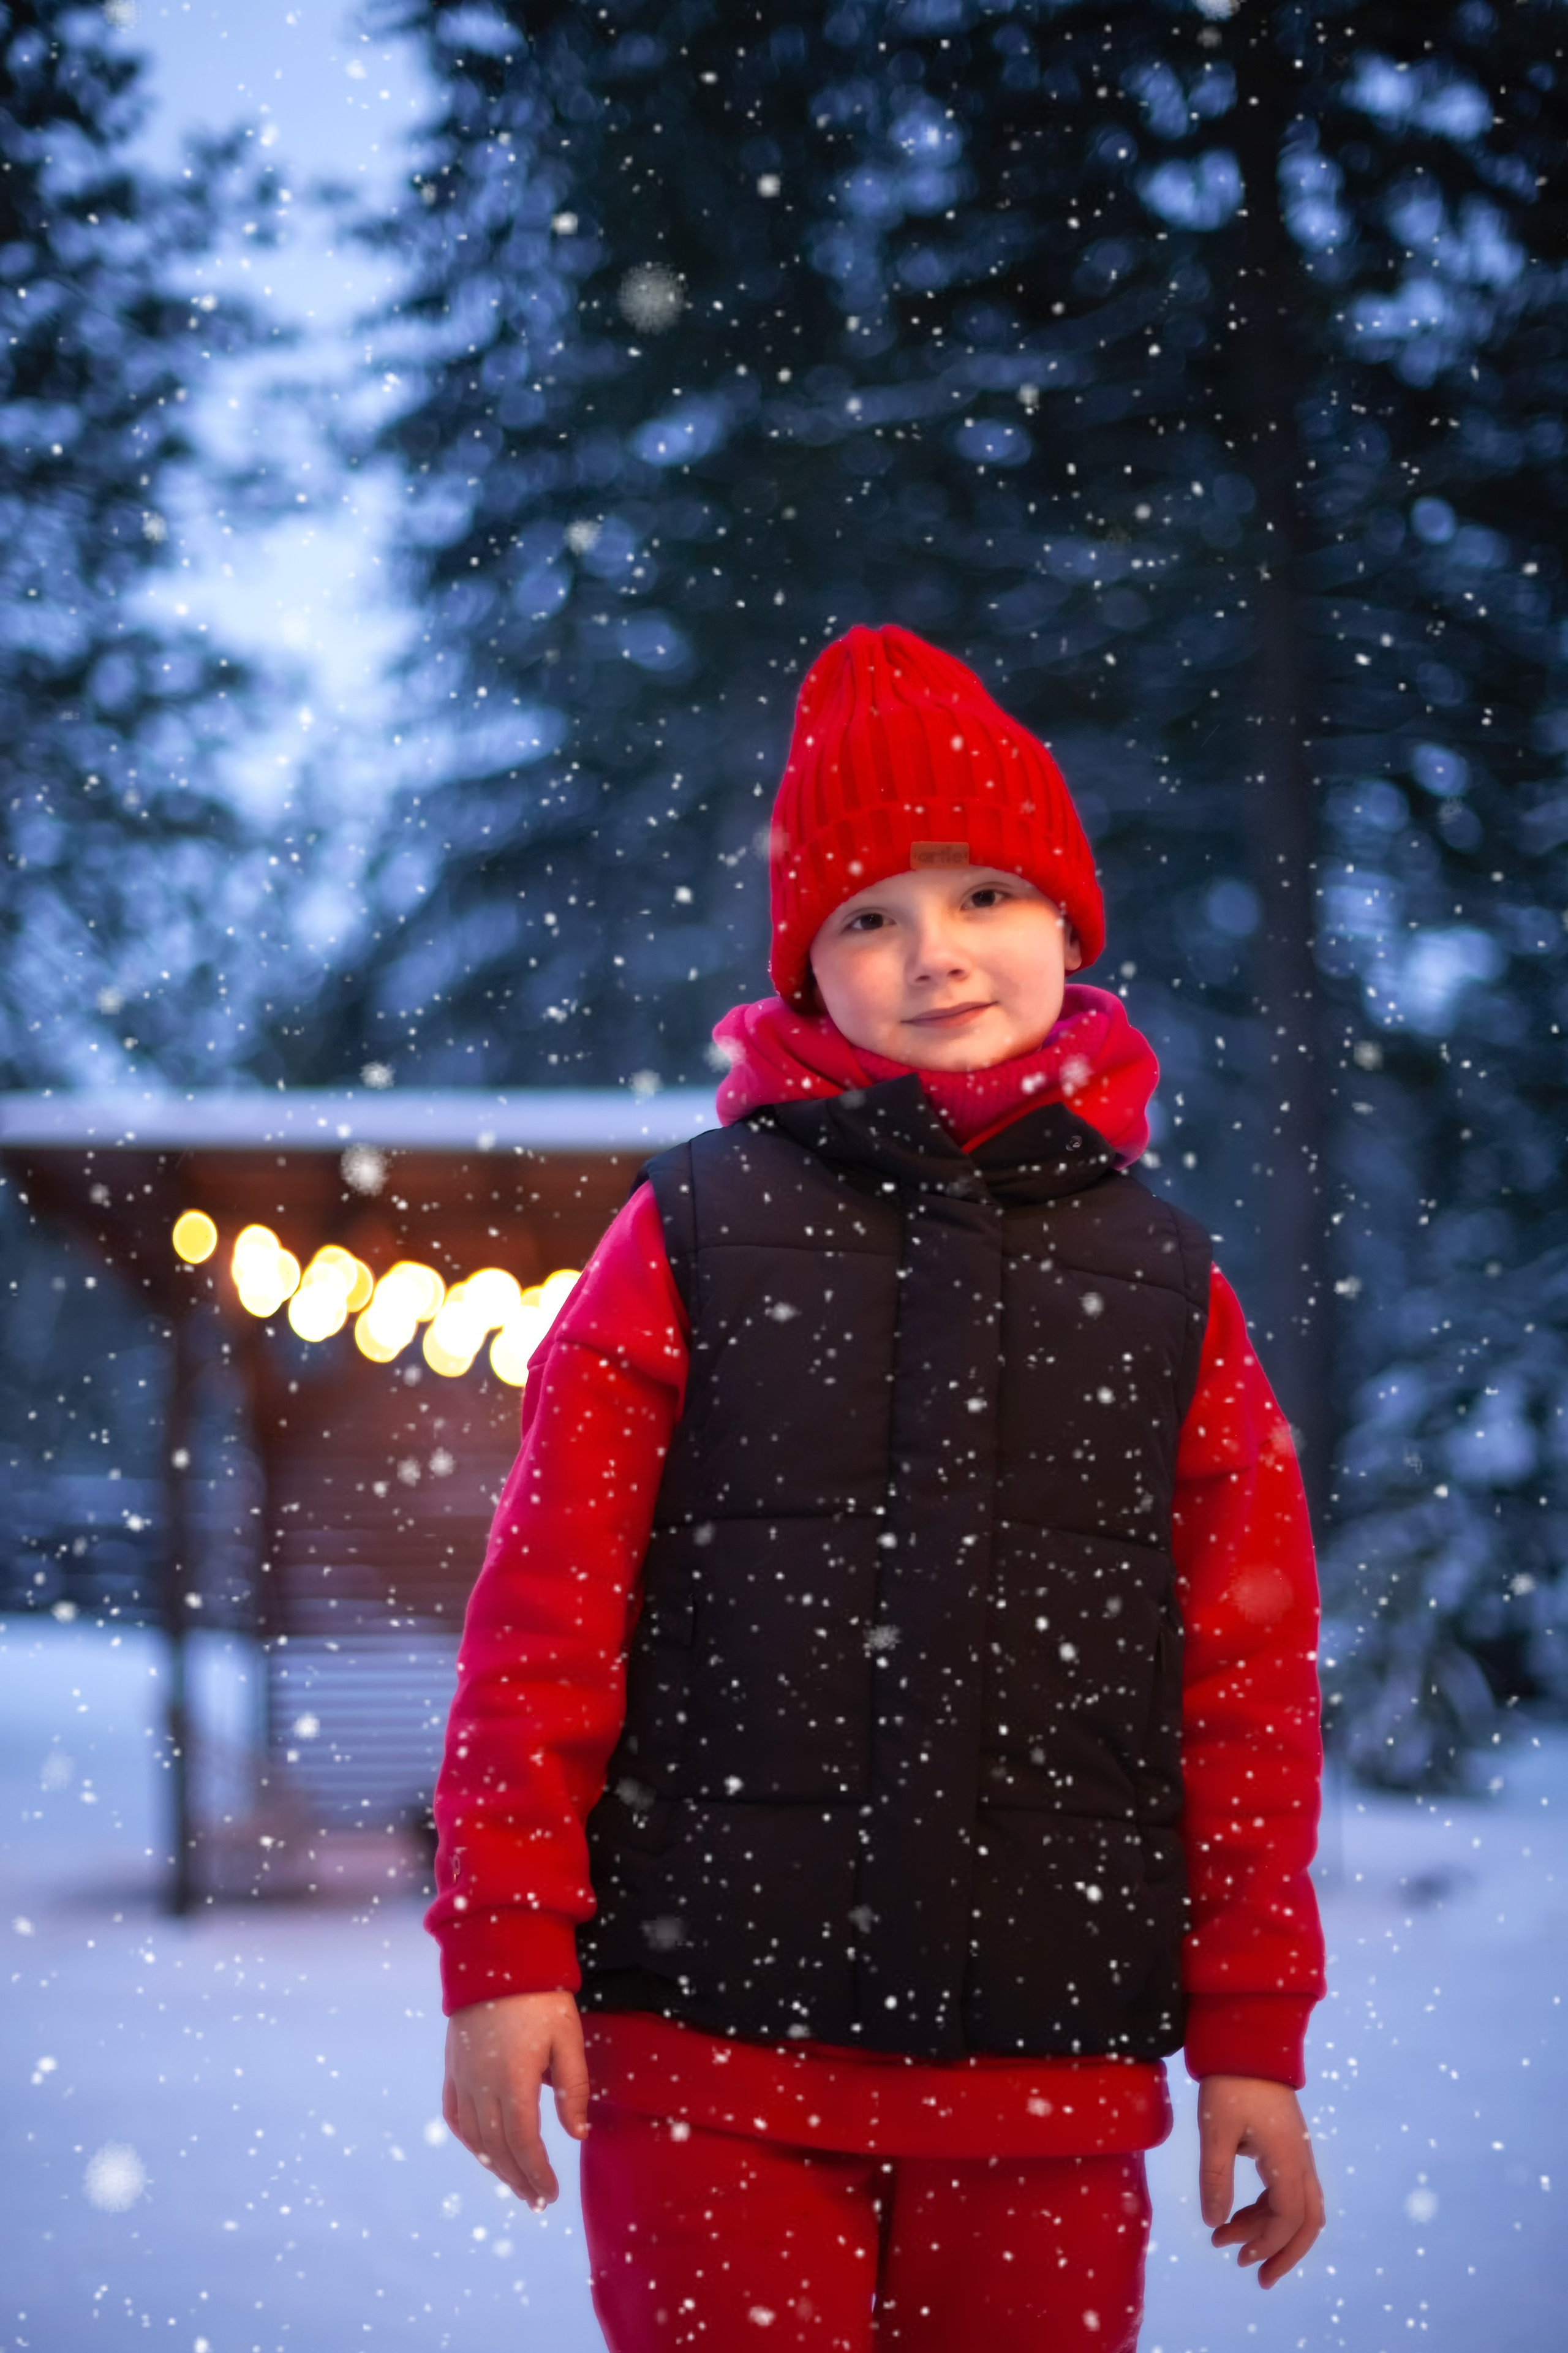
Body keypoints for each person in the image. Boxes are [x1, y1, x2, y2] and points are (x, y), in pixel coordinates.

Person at [428, 624, 1326, 2352]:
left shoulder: (1166, 1279)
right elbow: (545, 1618)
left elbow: (1247, 1687)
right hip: (711, 2054)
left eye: (985, 892)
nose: (935, 951)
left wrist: (1254, 2037)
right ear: (801, 966)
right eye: (869, 914)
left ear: (1070, 921)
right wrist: (504, 1949)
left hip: (1049, 2082)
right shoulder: (684, 1235)